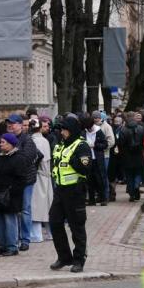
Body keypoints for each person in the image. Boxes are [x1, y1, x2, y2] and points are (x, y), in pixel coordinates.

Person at [48, 117, 92, 273]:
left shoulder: (81, 146)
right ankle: (64, 257)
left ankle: (79, 259)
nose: (62, 132)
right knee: (54, 222)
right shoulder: (60, 145)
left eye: (64, 130)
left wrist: (74, 162)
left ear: (71, 130)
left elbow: (86, 169)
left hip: (75, 191)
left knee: (77, 227)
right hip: (60, 191)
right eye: (61, 130)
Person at [0, 133, 28, 257]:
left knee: (9, 220)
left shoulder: (18, 158)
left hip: (10, 196)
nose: (1, 144)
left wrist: (11, 191)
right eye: (0, 142)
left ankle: (12, 246)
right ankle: (2, 245)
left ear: (11, 144)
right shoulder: (1, 157)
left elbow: (22, 178)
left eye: (3, 142)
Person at [6, 113, 38, 251]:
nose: (10, 125)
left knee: (25, 209)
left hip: (26, 180)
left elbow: (27, 158)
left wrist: (12, 158)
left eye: (13, 123)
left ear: (20, 125)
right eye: (9, 123)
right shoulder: (5, 139)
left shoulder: (27, 140)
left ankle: (25, 239)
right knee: (14, 209)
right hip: (11, 180)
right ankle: (14, 238)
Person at [30, 117, 53, 242]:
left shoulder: (34, 141)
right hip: (46, 175)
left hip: (38, 176)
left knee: (36, 206)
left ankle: (36, 234)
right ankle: (50, 232)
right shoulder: (44, 140)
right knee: (47, 205)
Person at [84, 113, 108, 205]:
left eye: (90, 128)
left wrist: (95, 145)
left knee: (100, 179)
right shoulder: (84, 132)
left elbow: (105, 144)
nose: (89, 130)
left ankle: (103, 199)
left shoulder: (99, 131)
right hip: (88, 159)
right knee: (89, 180)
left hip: (98, 159)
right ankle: (91, 200)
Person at [122, 112, 144, 202]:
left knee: (129, 176)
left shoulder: (123, 130)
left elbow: (121, 143)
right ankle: (136, 185)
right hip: (138, 155)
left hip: (127, 156)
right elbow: (143, 141)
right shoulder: (141, 128)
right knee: (138, 173)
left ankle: (132, 194)